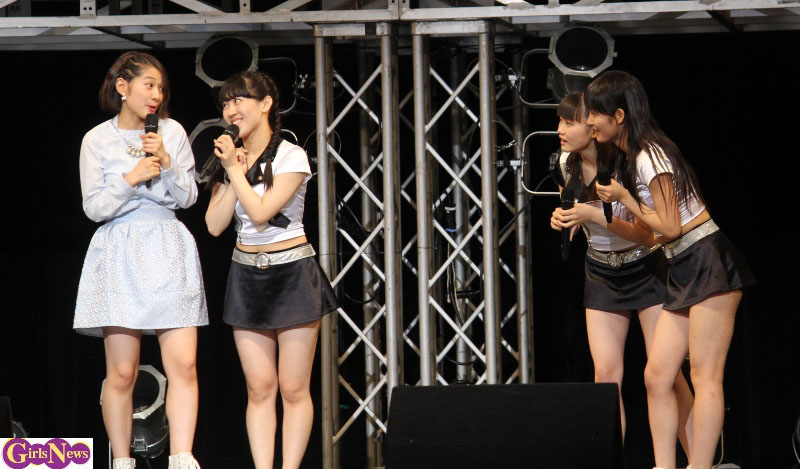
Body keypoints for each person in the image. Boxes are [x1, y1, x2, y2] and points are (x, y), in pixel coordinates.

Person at [585, 71, 755, 469]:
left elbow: (671, 226)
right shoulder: (633, 158)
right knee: (657, 376)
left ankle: (700, 466)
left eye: (595, 113)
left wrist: (625, 197)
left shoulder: (650, 155)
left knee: (705, 375)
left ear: (619, 116)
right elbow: (652, 235)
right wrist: (597, 216)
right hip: (680, 264)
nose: (590, 121)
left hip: (708, 262)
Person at [74, 51, 207, 469]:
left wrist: (166, 162)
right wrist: (131, 179)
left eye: (161, 88)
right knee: (122, 371)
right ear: (122, 86)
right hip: (120, 248)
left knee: (184, 363)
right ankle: (122, 459)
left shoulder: (172, 132)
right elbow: (94, 208)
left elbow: (188, 197)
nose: (156, 95)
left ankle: (182, 456)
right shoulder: (97, 140)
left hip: (167, 242)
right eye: (149, 85)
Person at [204, 70, 338, 469]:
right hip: (246, 275)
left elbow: (262, 212)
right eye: (226, 103)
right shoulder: (229, 161)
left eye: (239, 100)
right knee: (259, 387)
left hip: (292, 273)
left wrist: (235, 170)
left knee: (293, 387)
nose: (231, 109)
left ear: (265, 104)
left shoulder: (291, 156)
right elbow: (214, 225)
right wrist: (232, 170)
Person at [550, 92, 694, 454]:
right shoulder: (564, 163)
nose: (560, 130)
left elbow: (648, 233)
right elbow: (571, 207)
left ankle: (698, 459)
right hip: (601, 272)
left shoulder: (625, 163)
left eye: (570, 122)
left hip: (646, 266)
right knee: (605, 377)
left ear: (593, 126)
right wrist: (565, 218)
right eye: (560, 122)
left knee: (666, 374)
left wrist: (593, 215)